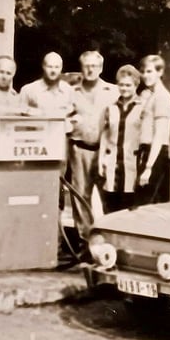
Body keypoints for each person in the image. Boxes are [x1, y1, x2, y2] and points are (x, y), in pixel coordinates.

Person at [66, 50, 118, 234]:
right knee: (81, 197)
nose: (90, 69)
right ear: (81, 68)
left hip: (106, 153)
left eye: (94, 66)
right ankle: (85, 244)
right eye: (86, 66)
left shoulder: (113, 91)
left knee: (109, 196)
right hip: (80, 150)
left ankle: (112, 241)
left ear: (101, 68)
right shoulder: (71, 92)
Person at [98, 64, 144, 213]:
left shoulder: (142, 107)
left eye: (128, 85)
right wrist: (100, 161)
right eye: (121, 85)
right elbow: (105, 134)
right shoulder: (110, 108)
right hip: (112, 166)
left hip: (132, 165)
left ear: (136, 85)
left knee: (130, 210)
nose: (124, 88)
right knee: (110, 209)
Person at [135, 54, 170, 205]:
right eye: (143, 71)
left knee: (146, 204)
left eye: (150, 71)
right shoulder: (150, 95)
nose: (145, 75)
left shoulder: (162, 97)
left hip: (155, 155)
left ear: (160, 72)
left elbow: (159, 135)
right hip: (146, 152)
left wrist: (149, 167)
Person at [19, 51, 75, 118]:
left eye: (57, 67)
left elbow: (73, 117)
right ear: (43, 66)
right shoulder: (28, 90)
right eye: (50, 66)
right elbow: (20, 119)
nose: (53, 71)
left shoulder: (69, 91)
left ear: (61, 67)